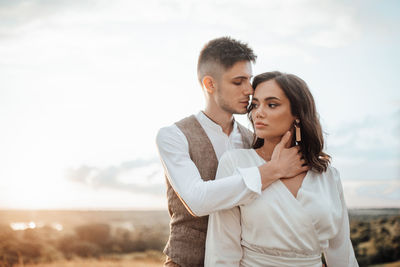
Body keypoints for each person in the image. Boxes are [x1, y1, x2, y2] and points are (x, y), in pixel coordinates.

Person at [156, 38, 308, 267]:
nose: (249, 90)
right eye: (238, 82)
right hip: (185, 262)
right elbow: (196, 200)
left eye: (249, 80)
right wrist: (272, 170)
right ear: (210, 84)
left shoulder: (254, 139)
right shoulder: (173, 136)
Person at [205, 71, 359, 267]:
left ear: (297, 114)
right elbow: (221, 249)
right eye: (255, 105)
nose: (258, 112)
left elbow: (342, 252)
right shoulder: (236, 163)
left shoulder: (328, 176)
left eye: (272, 104)